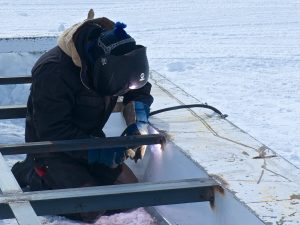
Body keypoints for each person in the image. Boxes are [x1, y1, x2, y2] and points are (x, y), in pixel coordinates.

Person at [11, 10, 153, 222]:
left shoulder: (115, 56)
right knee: (91, 208)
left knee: (131, 194)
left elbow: (137, 85)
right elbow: (52, 130)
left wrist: (138, 117)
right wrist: (98, 152)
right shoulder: (53, 72)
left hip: (89, 141)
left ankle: (84, 176)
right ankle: (31, 173)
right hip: (52, 149)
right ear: (100, 67)